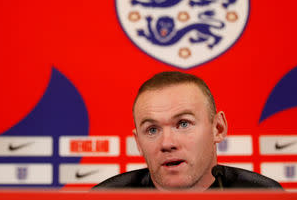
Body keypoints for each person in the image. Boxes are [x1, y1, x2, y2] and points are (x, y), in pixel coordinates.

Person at [93, 71, 282, 190]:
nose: (167, 143)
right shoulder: (107, 197)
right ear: (138, 143)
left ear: (218, 128)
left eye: (183, 124)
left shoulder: (263, 194)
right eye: (152, 130)